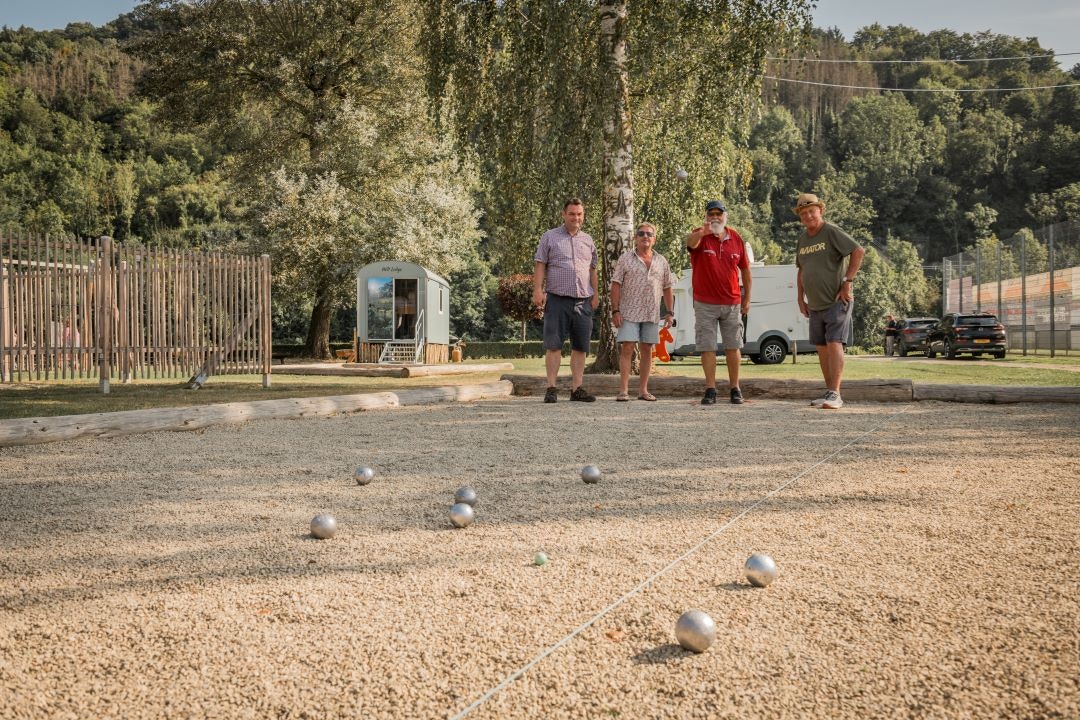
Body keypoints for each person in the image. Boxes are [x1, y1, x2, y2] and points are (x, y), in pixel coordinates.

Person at [793, 193, 866, 409]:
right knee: (822, 347)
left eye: (811, 211)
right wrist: (799, 297)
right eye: (803, 213)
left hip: (836, 300)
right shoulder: (803, 239)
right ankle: (829, 392)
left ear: (820, 211)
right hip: (814, 303)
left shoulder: (830, 231)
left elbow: (858, 251)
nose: (808, 216)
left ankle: (836, 393)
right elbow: (801, 269)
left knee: (834, 343)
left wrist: (848, 281)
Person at [532, 198, 599, 403]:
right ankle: (551, 388)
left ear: (583, 215)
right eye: (572, 213)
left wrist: (596, 294)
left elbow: (593, 269)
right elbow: (540, 264)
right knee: (554, 345)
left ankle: (576, 389)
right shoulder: (550, 237)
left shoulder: (588, 240)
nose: (575, 217)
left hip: (583, 300)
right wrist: (537, 290)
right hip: (557, 299)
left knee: (581, 347)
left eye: (579, 214)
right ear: (564, 214)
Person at [686, 200, 752, 405]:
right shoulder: (701, 234)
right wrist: (702, 233)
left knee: (733, 346)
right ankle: (710, 389)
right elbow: (690, 243)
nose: (715, 217)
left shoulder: (736, 238)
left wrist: (747, 298)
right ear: (706, 216)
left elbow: (746, 271)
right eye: (711, 214)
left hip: (732, 301)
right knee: (708, 347)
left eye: (719, 214)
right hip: (705, 302)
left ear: (726, 216)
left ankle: (735, 388)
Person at [610, 222, 675, 402]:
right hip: (628, 311)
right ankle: (623, 390)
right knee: (627, 348)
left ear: (654, 239)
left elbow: (668, 287)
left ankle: (643, 390)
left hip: (651, 312)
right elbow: (616, 284)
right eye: (641, 234)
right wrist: (615, 310)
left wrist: (669, 312)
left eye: (649, 234)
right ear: (635, 238)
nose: (645, 236)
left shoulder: (661, 261)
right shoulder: (625, 258)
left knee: (648, 349)